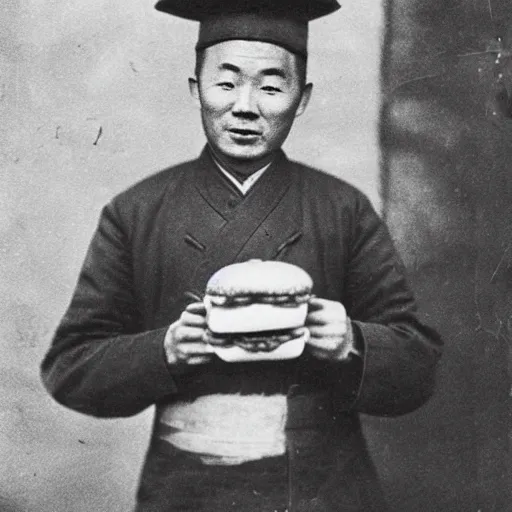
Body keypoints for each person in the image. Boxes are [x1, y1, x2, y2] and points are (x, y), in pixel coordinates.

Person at [40, 0, 443, 510]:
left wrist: (353, 342)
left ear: (302, 99)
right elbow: (70, 367)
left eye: (271, 87)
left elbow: (419, 368)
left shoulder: (344, 210)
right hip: (186, 489)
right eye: (226, 83)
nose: (246, 106)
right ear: (195, 90)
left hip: (322, 488)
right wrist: (163, 349)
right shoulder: (136, 212)